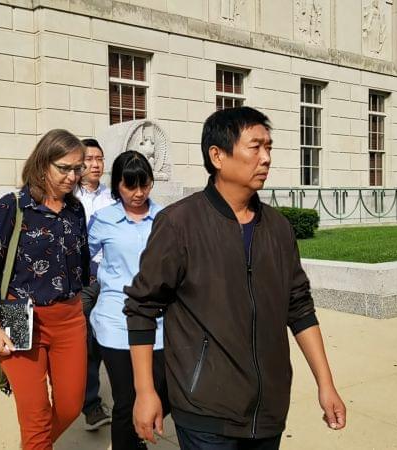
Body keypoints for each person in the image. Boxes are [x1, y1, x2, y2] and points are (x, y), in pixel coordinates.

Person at [124, 107, 346, 449]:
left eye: (269, 147)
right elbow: (142, 307)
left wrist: (326, 383)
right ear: (217, 156)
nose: (266, 158)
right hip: (205, 412)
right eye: (255, 147)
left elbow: (299, 307)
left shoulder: (278, 229)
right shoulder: (179, 224)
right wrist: (145, 391)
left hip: (268, 409)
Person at [0, 129, 90, 450]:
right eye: (64, 168)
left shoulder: (75, 210)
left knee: (70, 406)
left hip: (69, 319)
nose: (72, 176)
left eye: (77, 168)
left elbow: (82, 268)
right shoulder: (13, 205)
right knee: (36, 417)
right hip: (19, 320)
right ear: (42, 165)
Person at [88, 151, 168, 450]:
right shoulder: (102, 220)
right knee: (127, 400)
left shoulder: (165, 219)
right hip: (115, 320)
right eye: (129, 186)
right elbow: (82, 257)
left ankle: (137, 438)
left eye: (144, 185)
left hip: (158, 321)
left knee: (162, 390)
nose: (138, 193)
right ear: (116, 185)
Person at [74, 138, 114, 431]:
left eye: (99, 158)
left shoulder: (112, 197)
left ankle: (94, 401)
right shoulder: (69, 197)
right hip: (79, 278)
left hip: (108, 276)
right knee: (85, 342)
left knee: (103, 340)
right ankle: (87, 402)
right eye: (89, 159)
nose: (95, 164)